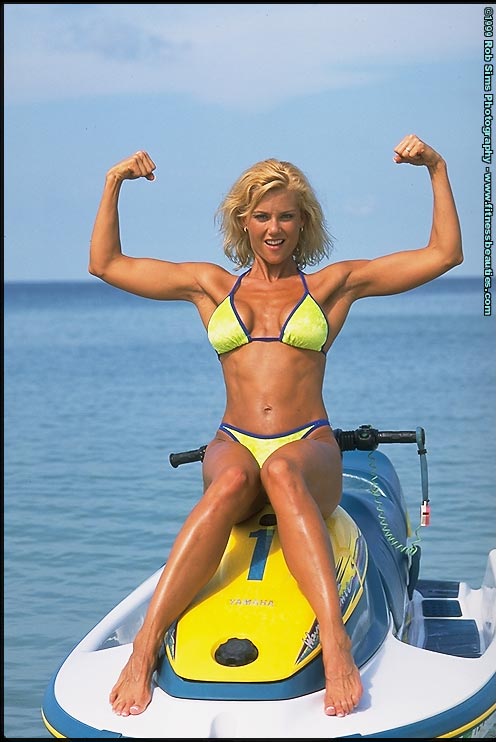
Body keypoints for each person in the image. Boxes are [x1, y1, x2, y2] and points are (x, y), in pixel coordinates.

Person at [88, 134, 463, 719]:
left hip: (306, 443)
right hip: (234, 441)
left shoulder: (331, 286)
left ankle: (335, 644)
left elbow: (443, 254)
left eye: (286, 216)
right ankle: (144, 647)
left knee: (284, 471)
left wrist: (435, 167)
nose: (274, 228)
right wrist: (114, 182)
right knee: (231, 482)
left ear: (303, 222)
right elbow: (106, 264)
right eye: (262, 216)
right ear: (243, 220)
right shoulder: (210, 285)